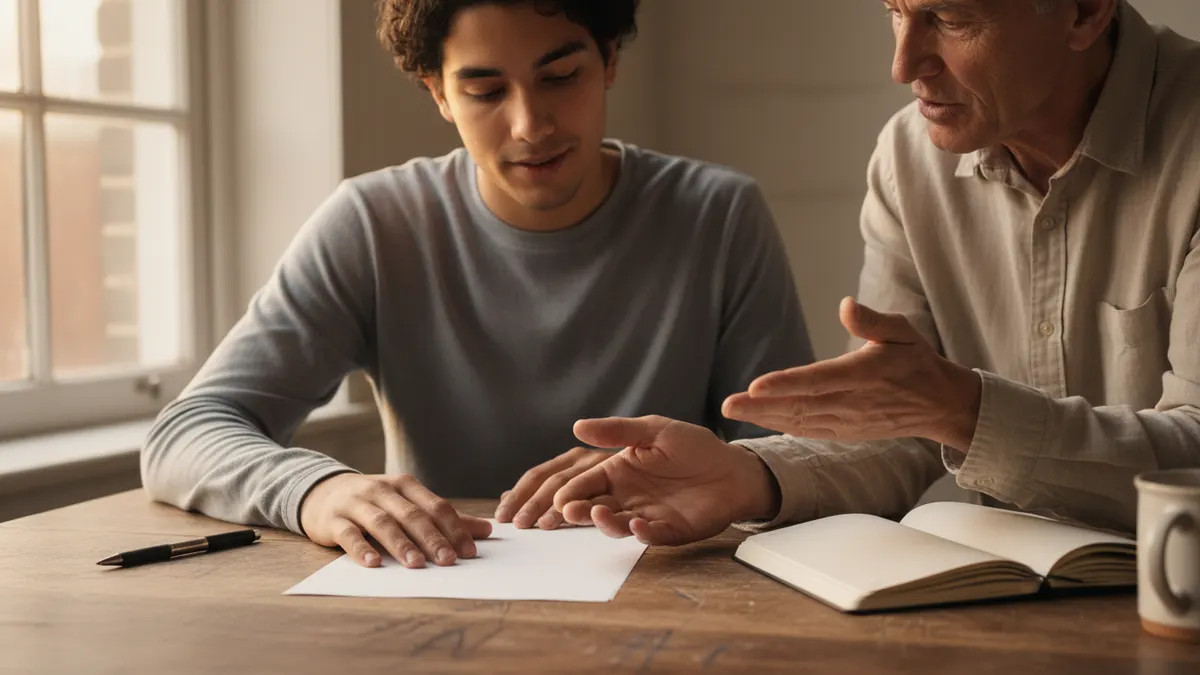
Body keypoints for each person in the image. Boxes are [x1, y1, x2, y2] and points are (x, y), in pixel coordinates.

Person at [140, 0, 813, 568]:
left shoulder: (718, 214)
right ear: (436, 91)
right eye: (486, 91)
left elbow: (794, 459)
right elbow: (185, 432)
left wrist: (729, 477)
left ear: (609, 60)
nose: (530, 125)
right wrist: (316, 488)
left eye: (561, 76)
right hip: (439, 596)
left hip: (671, 591)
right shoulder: (374, 224)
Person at [552, 0, 1200, 544]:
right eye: (895, 9)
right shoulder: (908, 158)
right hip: (1014, 621)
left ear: (1084, 11)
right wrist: (745, 475)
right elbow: (898, 431)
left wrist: (965, 410)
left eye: (947, 17)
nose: (901, 66)